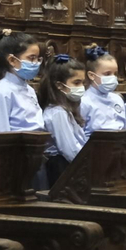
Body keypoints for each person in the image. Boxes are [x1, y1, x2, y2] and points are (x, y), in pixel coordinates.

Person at [39, 55, 88, 184]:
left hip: (71, 165)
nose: (81, 87)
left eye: (83, 82)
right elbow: (69, 150)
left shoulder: (66, 109)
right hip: (61, 167)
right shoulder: (57, 113)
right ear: (59, 85)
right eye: (76, 82)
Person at [0, 30, 45, 133]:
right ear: (12, 60)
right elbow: (0, 132)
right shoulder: (1, 91)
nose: (36, 63)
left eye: (38, 58)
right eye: (31, 58)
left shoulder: (29, 90)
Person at [80, 46, 125, 134]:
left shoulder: (117, 99)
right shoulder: (84, 101)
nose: (113, 77)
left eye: (115, 74)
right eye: (107, 74)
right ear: (91, 75)